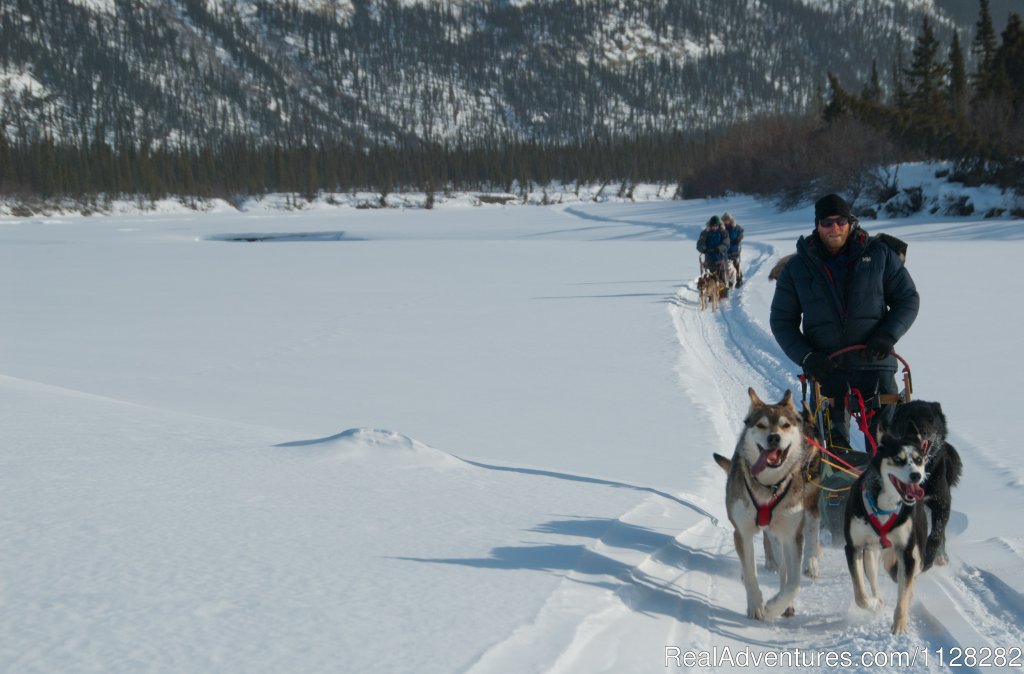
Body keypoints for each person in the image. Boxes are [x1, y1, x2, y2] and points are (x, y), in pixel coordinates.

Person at [769, 193, 919, 448]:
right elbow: (782, 321)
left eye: (840, 221)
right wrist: (807, 357)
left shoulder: (880, 255)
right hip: (827, 370)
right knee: (835, 456)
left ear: (850, 222)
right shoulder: (797, 268)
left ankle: (883, 488)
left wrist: (887, 336)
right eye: (827, 222)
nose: (834, 228)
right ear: (817, 225)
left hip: (876, 364)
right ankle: (839, 486)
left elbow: (908, 299)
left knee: (887, 450)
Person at [721, 212, 745, 287]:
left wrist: (738, 239)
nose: (726, 222)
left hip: (734, 248)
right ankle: (726, 279)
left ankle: (738, 277)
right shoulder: (722, 228)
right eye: (725, 220)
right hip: (725, 250)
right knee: (726, 265)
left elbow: (741, 232)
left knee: (735, 263)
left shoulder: (735, 227)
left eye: (728, 220)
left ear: (731, 220)